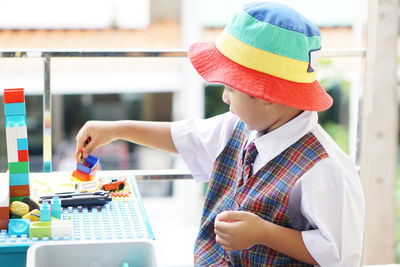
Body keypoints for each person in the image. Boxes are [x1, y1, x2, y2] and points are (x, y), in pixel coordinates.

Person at [76, 1, 365, 266]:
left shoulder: (324, 168)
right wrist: (117, 129)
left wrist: (264, 233)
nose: (225, 97)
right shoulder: (239, 127)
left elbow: (337, 253)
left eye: (231, 87)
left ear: (267, 96)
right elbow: (184, 137)